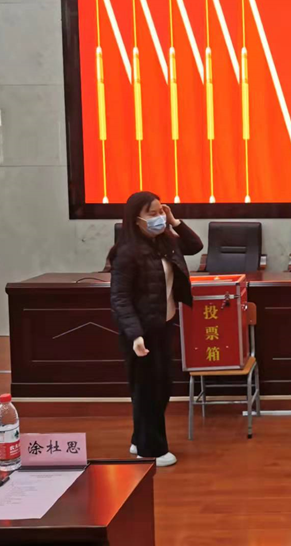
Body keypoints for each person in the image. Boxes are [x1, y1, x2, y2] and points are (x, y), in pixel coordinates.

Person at [109, 192, 203, 467]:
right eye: (152, 213)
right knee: (148, 391)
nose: (158, 217)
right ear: (135, 219)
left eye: (161, 211)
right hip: (141, 332)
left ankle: (140, 438)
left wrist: (174, 221)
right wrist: (135, 335)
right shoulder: (127, 253)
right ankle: (151, 450)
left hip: (164, 325)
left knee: (160, 388)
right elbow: (120, 298)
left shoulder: (165, 243)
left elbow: (195, 245)